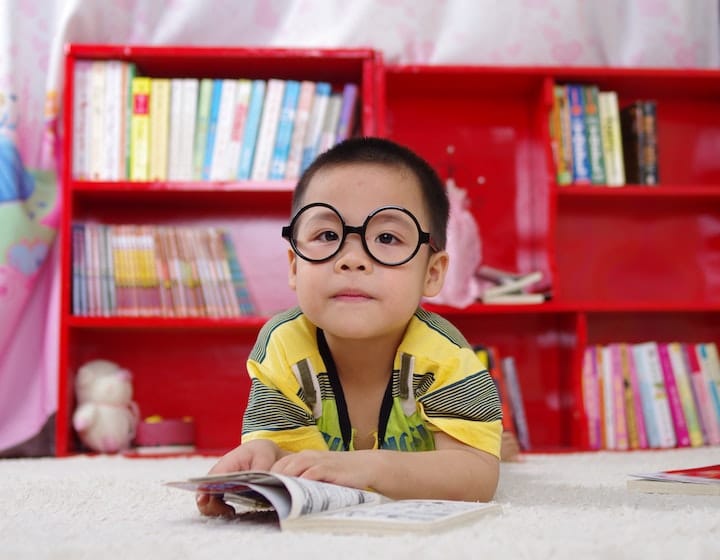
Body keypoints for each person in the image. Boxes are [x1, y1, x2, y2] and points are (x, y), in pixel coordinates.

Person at [197, 137, 503, 517]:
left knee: (494, 447)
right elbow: (291, 454)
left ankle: (501, 439)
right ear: (294, 266)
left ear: (433, 273)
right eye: (327, 236)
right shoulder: (282, 346)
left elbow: (478, 474)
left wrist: (369, 466)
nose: (352, 259)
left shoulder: (446, 355)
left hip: (433, 453)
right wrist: (266, 456)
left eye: (387, 237)